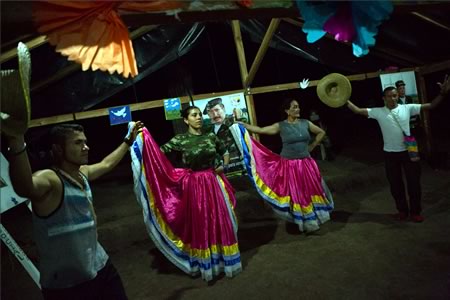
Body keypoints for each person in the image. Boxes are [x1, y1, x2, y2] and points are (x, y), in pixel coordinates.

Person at [4, 121, 143, 299]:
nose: (86, 147)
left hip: (101, 267)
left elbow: (106, 164)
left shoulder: (82, 174)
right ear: (58, 149)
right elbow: (25, 187)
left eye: (85, 142)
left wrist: (128, 141)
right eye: (78, 143)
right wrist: (16, 141)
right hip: (67, 285)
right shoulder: (51, 179)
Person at [129, 106, 242, 281]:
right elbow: (156, 154)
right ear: (185, 120)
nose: (198, 118)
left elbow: (225, 152)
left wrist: (224, 167)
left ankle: (222, 260)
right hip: (195, 186)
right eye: (194, 115)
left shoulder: (210, 136)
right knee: (202, 222)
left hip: (213, 182)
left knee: (219, 219)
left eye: (199, 115)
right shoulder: (180, 140)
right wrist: (141, 138)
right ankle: (208, 264)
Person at [346, 75, 449, 222]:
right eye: (389, 96)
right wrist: (343, 99)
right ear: (383, 98)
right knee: (395, 185)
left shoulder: (407, 108)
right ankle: (402, 211)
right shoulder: (378, 111)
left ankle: (415, 212)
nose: (393, 99)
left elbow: (431, 106)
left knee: (414, 184)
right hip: (390, 154)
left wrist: (442, 93)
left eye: (395, 96)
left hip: (409, 152)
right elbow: (357, 110)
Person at [234, 98, 334, 233]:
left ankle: (315, 218)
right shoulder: (281, 126)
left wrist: (312, 145)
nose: (297, 109)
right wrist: (244, 126)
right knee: (298, 194)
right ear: (287, 111)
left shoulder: (306, 123)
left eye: (298, 107)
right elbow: (261, 130)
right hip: (290, 166)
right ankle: (306, 222)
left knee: (311, 190)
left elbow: (321, 132)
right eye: (294, 107)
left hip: (307, 164)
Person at [203, 97, 243, 174]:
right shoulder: (207, 131)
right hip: (219, 172)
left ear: (223, 109)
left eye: (217, 110)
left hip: (239, 168)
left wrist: (239, 115)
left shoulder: (234, 122)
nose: (215, 114)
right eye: (210, 112)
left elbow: (244, 121)